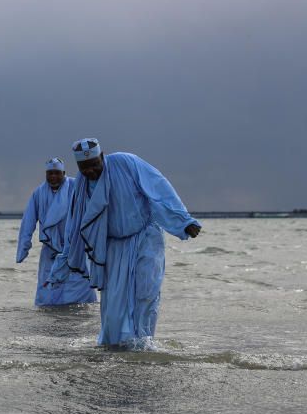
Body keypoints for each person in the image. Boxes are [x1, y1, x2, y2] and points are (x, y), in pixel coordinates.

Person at [48, 138, 200, 347]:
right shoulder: (81, 187)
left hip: (145, 238)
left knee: (146, 292)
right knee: (114, 307)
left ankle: (143, 345)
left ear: (102, 156)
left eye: (94, 164)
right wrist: (63, 264)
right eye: (84, 168)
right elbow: (75, 225)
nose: (91, 171)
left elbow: (158, 188)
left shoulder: (127, 163)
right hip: (112, 248)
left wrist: (184, 221)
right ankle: (118, 347)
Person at [16, 157, 96, 306]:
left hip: (75, 249)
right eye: (50, 173)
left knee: (80, 289)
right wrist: (23, 249)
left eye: (57, 173)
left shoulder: (75, 187)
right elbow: (28, 221)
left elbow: (91, 210)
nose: (53, 177)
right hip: (50, 250)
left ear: (63, 173)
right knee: (48, 291)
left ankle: (78, 321)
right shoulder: (38, 193)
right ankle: (51, 317)